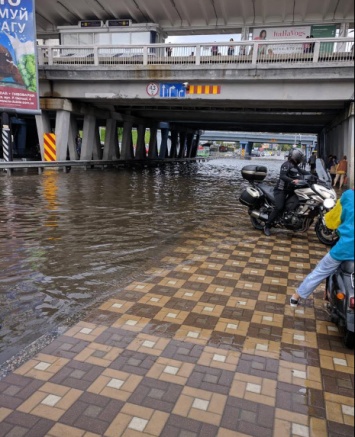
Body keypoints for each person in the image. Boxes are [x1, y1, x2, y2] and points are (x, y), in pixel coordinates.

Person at [290, 188, 354, 307]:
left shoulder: (348, 196)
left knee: (321, 271)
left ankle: (296, 297)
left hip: (345, 247)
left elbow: (331, 222)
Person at [264, 149, 310, 236]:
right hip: (281, 190)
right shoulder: (286, 165)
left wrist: (313, 175)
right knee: (279, 207)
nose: (300, 160)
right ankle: (267, 225)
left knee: (295, 204)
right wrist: (293, 181)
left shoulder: (295, 166)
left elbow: (303, 172)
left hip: (291, 190)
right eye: (300, 158)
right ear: (296, 157)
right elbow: (282, 176)